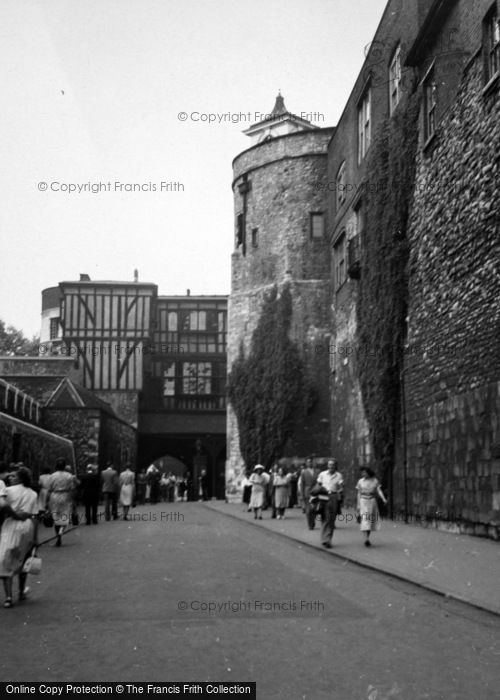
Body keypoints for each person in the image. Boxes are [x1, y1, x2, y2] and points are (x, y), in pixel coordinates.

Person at [0, 466, 39, 607]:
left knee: (5, 559)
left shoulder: (7, 491)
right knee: (24, 558)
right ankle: (21, 591)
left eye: (13, 476)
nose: (9, 478)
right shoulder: (33, 493)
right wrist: (35, 538)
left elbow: (3, 507)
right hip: (27, 526)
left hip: (10, 526)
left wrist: (12, 514)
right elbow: (34, 516)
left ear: (21, 478)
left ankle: (8, 597)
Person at [46, 457, 76, 546]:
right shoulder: (69, 476)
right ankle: (62, 530)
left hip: (54, 496)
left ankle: (58, 536)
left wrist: (46, 502)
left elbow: (49, 489)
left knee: (56, 516)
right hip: (66, 496)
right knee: (64, 515)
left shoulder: (52, 476)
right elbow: (72, 488)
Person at [355, 466, 387, 547]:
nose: (363, 474)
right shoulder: (360, 481)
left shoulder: (375, 480)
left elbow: (379, 490)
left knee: (370, 521)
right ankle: (366, 539)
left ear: (368, 472)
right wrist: (358, 505)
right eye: (362, 472)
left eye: (364, 472)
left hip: (372, 501)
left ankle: (367, 538)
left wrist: (383, 499)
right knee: (365, 520)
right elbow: (359, 493)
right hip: (363, 501)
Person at [316, 458, 344, 549]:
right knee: (324, 517)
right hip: (323, 497)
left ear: (336, 466)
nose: (331, 466)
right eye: (329, 465)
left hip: (334, 497)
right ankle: (324, 539)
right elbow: (318, 486)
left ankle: (328, 539)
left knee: (331, 519)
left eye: (333, 465)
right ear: (327, 466)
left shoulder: (339, 475)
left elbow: (341, 488)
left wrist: (341, 492)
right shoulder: (322, 474)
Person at [298, 457, 318, 530]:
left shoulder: (317, 471)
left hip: (316, 492)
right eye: (308, 462)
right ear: (306, 463)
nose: (310, 463)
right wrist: (302, 494)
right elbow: (302, 484)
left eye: (311, 462)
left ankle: (313, 520)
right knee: (309, 510)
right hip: (307, 492)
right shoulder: (304, 472)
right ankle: (310, 524)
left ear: (313, 463)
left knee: (315, 509)